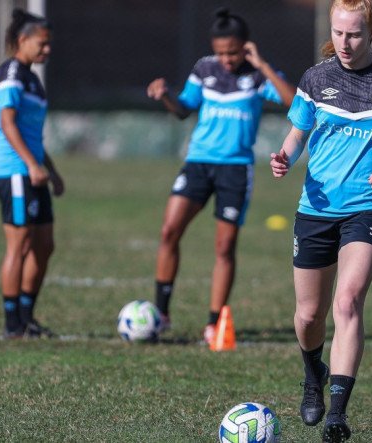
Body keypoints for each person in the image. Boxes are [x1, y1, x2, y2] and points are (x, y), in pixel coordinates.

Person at [269, 0, 372, 440]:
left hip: (368, 206)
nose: (344, 42)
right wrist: (285, 157)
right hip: (316, 208)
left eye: (354, 34)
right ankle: (312, 374)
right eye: (339, 33)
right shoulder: (316, 78)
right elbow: (297, 133)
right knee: (308, 316)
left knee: (349, 301)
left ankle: (338, 415)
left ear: (371, 33)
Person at [146, 8, 295, 344]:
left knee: (224, 247)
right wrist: (165, 95)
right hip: (198, 163)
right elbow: (184, 109)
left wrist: (264, 65)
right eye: (221, 52)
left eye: (233, 52)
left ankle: (214, 323)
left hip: (235, 170)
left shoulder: (258, 77)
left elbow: (294, 102)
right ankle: (161, 313)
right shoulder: (204, 68)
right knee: (169, 231)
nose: (227, 59)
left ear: (246, 47)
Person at [0, 8, 63, 339]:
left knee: (44, 245)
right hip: (14, 171)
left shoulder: (33, 78)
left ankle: (27, 315)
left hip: (33, 172)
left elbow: (32, 134)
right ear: (23, 40)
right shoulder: (12, 73)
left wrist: (51, 169)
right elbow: (7, 123)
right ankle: (12, 324)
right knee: (18, 247)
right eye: (42, 44)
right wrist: (31, 166)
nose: (47, 50)